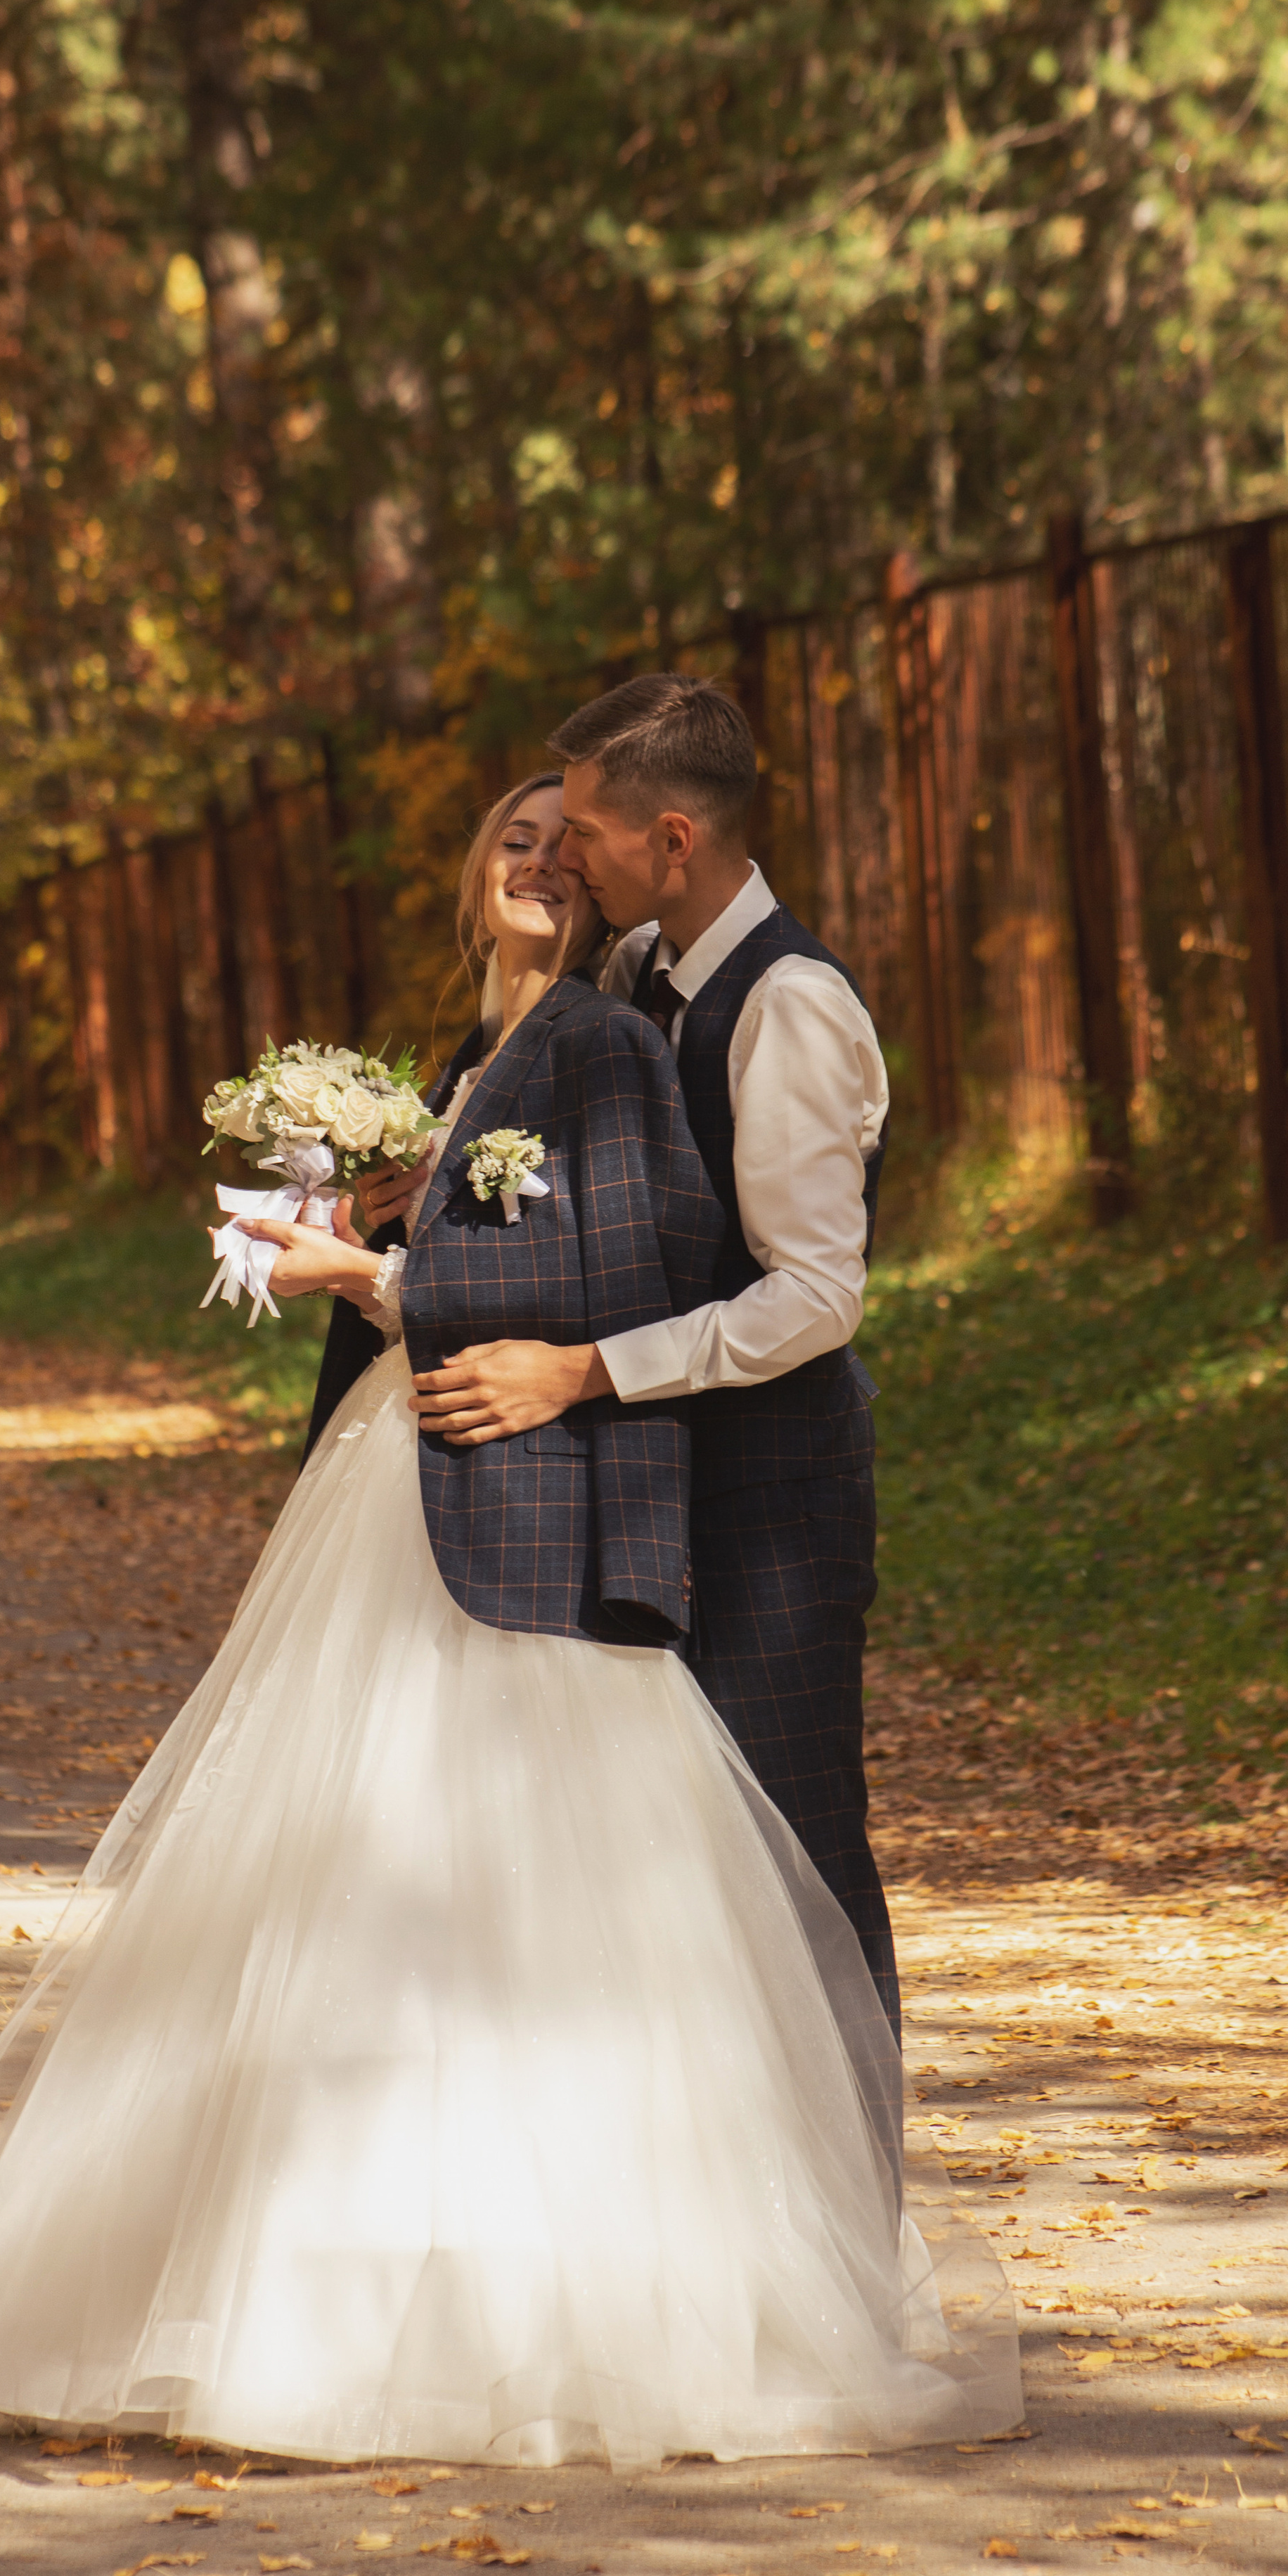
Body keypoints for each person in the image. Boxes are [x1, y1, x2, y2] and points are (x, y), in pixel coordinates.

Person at [0, 775, 1017, 2468]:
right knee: (337, 1893)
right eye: (508, 838)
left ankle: (570, 2306)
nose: (534, 861)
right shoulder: (462, 1071)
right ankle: (324, 2279)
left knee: (520, 1898)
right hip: (399, 1503)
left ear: (607, 878)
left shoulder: (598, 1049)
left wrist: (364, 1279)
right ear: (472, 878)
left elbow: (622, 1284)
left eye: (559, 841)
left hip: (511, 1509)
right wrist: (361, 1218)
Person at [397, 681, 901, 2034]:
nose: (562, 858)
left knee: (796, 1857)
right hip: (647, 1489)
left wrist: (583, 1372)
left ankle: (853, 2215)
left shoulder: (788, 1004)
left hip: (772, 1501)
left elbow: (812, 1298)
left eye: (586, 836)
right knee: (675, 1867)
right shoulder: (636, 975)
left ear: (672, 842)